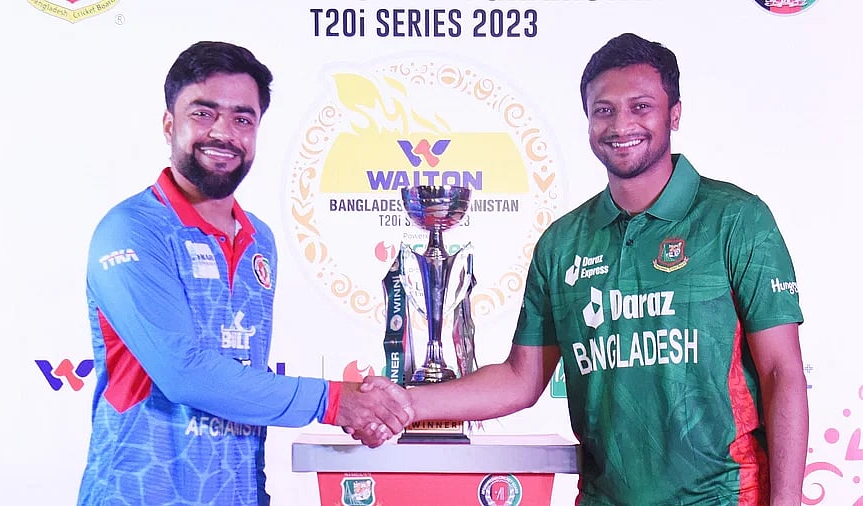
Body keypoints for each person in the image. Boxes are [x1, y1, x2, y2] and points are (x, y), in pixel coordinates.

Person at [360, 33, 808, 504]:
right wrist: (407, 402)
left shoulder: (736, 219)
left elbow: (782, 371)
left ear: (674, 113)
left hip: (724, 497)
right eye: (604, 110)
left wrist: (787, 500)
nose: (620, 125)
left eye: (640, 107)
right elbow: (522, 378)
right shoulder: (563, 243)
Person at [77, 41, 413, 506]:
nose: (223, 133)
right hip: (138, 491)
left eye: (242, 119)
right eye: (203, 113)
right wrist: (335, 401)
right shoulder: (132, 230)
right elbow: (185, 373)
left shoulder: (260, 240)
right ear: (169, 124)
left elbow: (241, 380)